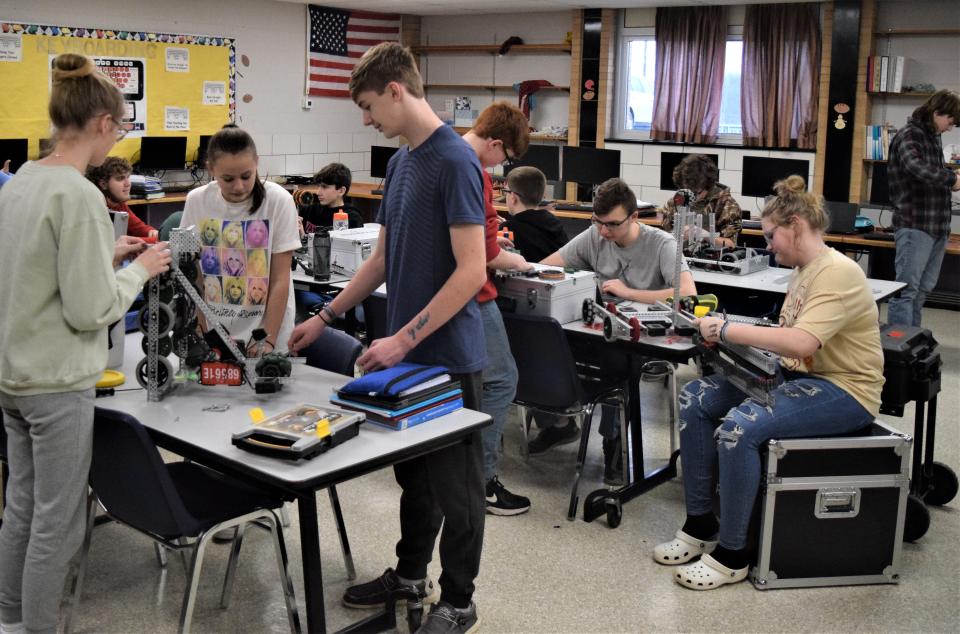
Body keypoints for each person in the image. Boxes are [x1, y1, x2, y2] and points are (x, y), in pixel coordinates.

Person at [287, 42, 487, 633]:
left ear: (397, 90)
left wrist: (401, 339)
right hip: (405, 357)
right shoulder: (401, 162)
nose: (368, 119)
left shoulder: (455, 161)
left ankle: (458, 601)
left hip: (448, 358)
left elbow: (471, 270)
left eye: (370, 106)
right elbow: (380, 258)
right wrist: (324, 317)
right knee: (415, 479)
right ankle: (409, 573)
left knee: (459, 491)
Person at [0, 53, 171, 634]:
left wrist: (107, 257)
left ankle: (11, 620)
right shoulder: (80, 198)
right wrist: (142, 267)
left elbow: (38, 271)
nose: (117, 140)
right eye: (120, 128)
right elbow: (92, 308)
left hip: (15, 376)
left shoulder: (23, 179)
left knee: (21, 507)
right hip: (57, 383)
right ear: (102, 122)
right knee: (59, 521)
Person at [654, 175, 884, 590]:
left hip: (846, 390)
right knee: (696, 398)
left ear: (795, 225)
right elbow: (787, 346)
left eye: (772, 235)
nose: (769, 244)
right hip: (798, 375)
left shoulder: (837, 273)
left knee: (741, 426)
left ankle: (733, 553)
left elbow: (801, 340)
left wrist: (726, 330)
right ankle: (701, 521)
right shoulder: (804, 269)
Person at [534, 178, 697, 483]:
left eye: (611, 224)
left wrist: (629, 292)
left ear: (634, 217)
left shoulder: (662, 244)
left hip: (643, 340)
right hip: (598, 330)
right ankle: (558, 422)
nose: (604, 232)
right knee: (546, 343)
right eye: (598, 222)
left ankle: (614, 446)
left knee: (616, 364)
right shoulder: (596, 235)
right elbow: (546, 269)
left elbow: (686, 294)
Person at [462, 102, 533, 516]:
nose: (501, 167)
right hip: (472, 294)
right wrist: (518, 262)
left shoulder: (441, 157)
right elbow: (486, 254)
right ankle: (484, 480)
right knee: (502, 379)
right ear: (494, 143)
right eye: (505, 157)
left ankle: (467, 474)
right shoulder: (474, 173)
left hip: (449, 290)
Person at [180, 124, 300, 355]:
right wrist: (199, 325)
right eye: (228, 179)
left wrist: (269, 338)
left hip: (266, 332)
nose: (239, 186)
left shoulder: (279, 201)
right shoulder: (196, 201)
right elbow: (192, 273)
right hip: (214, 332)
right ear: (211, 169)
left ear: (257, 162)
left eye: (247, 176)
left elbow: (279, 279)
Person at [885, 89, 960, 327]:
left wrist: (951, 178)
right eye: (950, 121)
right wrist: (951, 179)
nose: (950, 128)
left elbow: (930, 174)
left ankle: (912, 343)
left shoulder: (932, 136)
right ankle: (899, 349)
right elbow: (915, 167)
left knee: (922, 291)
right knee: (906, 291)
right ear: (937, 112)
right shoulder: (910, 134)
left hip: (937, 225)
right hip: (915, 224)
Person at [659, 154, 742, 248]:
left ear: (708, 186)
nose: (690, 197)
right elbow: (664, 235)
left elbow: (731, 245)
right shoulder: (676, 201)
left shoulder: (727, 205)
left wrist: (704, 234)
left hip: (710, 260)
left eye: (695, 193)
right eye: (686, 190)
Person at [501, 165, 569, 262]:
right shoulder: (554, 223)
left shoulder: (508, 230)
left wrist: (503, 226)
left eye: (505, 191)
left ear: (513, 197)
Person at [86, 156, 159, 241]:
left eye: (128, 177)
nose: (127, 184)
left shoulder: (119, 204)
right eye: (120, 179)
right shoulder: (96, 208)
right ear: (103, 184)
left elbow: (140, 229)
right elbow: (114, 244)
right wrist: (157, 238)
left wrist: (154, 233)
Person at [297, 162, 364, 235]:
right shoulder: (309, 210)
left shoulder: (352, 218)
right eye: (318, 186)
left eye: (324, 187)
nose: (318, 192)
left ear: (341, 191)